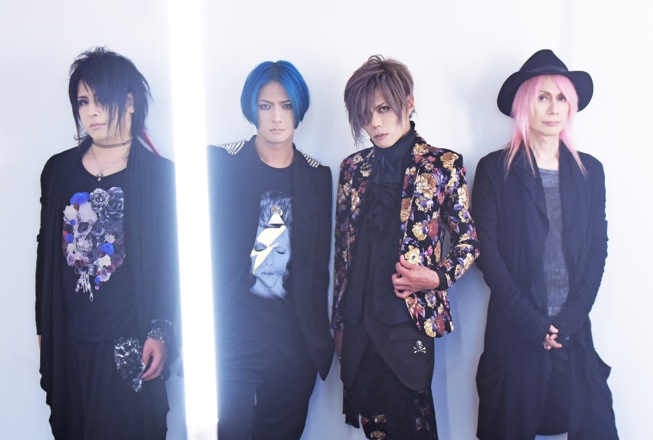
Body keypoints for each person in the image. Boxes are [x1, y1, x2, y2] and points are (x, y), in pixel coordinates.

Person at [472, 49, 618, 439]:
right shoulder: (495, 170)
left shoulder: (590, 172)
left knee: (596, 425)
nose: (554, 108)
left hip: (574, 332)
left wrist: (569, 320)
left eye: (561, 98)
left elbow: (597, 248)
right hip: (515, 334)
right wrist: (533, 324)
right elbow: (487, 254)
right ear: (524, 104)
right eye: (542, 97)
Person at [332, 55, 480, 439]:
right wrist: (339, 323)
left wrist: (436, 277)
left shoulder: (441, 165)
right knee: (374, 428)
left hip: (407, 323)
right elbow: (342, 256)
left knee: (414, 424)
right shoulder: (353, 169)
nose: (374, 123)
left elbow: (468, 241)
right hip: (359, 324)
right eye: (365, 114)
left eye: (383, 109)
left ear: (408, 103)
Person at [35, 47, 179, 439]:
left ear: (130, 102)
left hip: (127, 341)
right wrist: (43, 326)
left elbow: (171, 261)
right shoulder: (58, 171)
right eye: (83, 101)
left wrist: (161, 330)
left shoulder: (159, 176)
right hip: (70, 338)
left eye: (101, 99)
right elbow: (46, 251)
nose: (92, 111)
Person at [207, 60, 334, 440]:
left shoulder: (316, 176)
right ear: (252, 108)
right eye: (266, 106)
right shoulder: (221, 161)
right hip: (230, 336)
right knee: (228, 430)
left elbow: (318, 268)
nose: (277, 117)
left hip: (291, 342)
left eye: (286, 106)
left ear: (298, 109)